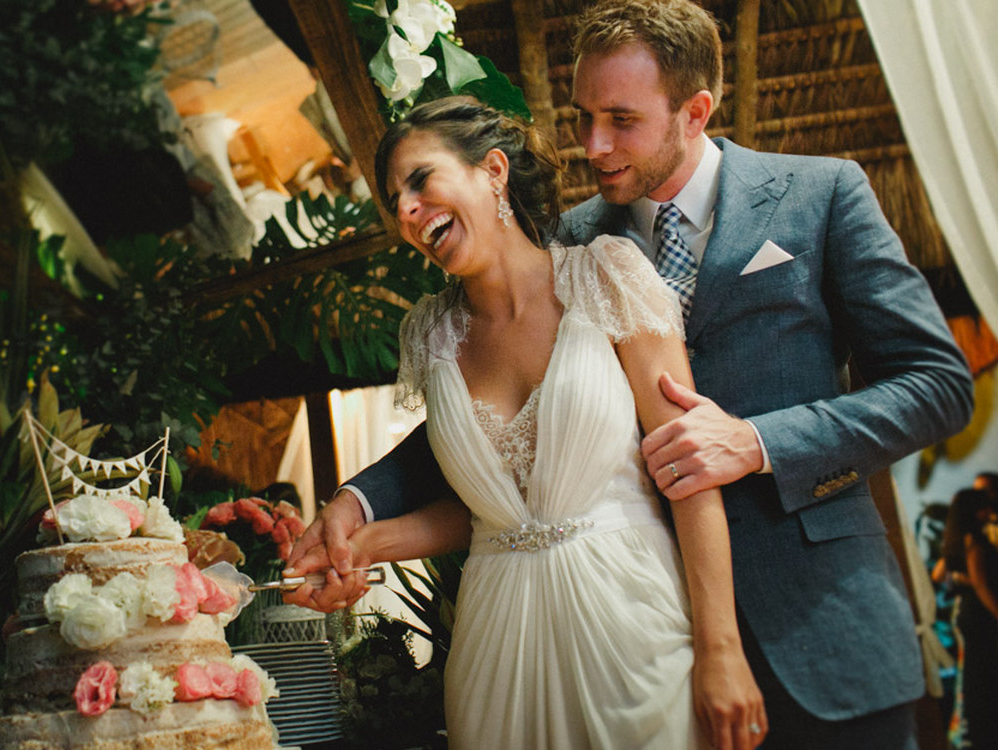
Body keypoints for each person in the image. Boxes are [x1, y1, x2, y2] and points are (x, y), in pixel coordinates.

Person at [287, 0, 975, 747]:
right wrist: (359, 497)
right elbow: (506, 423)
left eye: (621, 119)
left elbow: (936, 385)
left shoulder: (822, 195)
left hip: (819, 626)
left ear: (695, 111)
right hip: (642, 638)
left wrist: (758, 441)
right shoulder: (575, 244)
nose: (593, 144)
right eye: (583, 117)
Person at [310, 94, 765, 749]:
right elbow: (489, 514)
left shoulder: (608, 278)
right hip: (496, 650)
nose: (407, 211)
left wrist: (722, 650)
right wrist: (361, 547)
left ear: (492, 170)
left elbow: (690, 473)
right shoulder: (431, 336)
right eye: (394, 202)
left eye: (420, 181)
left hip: (634, 629)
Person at [936, 488, 998, 749]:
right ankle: (980, 733)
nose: (989, 512)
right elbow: (983, 586)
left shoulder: (954, 538)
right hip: (978, 614)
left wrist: (960, 579)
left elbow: (938, 575)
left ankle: (971, 732)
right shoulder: (974, 539)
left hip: (962, 612)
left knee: (972, 673)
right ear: (975, 510)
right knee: (981, 674)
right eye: (985, 507)